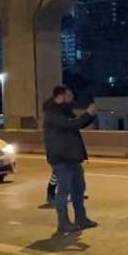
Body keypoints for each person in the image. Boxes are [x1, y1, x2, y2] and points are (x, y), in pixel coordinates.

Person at [42, 85, 99, 236]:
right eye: (69, 96)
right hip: (61, 158)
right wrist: (87, 114)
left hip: (73, 157)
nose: (71, 99)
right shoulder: (52, 113)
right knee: (64, 192)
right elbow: (71, 124)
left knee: (79, 190)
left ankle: (81, 218)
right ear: (60, 96)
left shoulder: (64, 111)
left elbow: (77, 124)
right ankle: (63, 223)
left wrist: (90, 115)